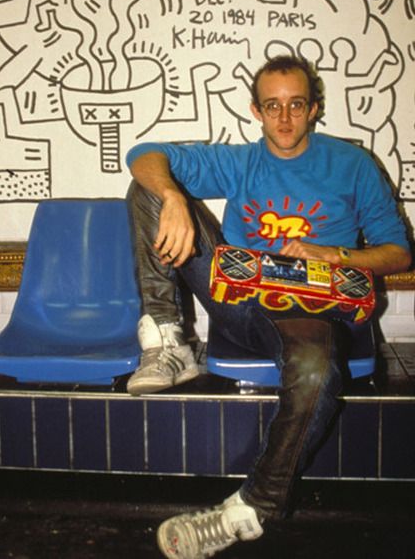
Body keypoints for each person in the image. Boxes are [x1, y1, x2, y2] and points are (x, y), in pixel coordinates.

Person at [125, 55, 411, 559]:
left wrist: (333, 254)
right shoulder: (242, 161)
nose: (284, 118)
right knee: (148, 187)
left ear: (314, 108)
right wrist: (172, 196)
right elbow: (143, 154)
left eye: (296, 105)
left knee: (315, 371)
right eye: (272, 106)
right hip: (240, 297)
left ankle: (251, 509)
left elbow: (398, 253)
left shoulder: (353, 164)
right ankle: (169, 340)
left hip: (312, 309)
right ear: (256, 111)